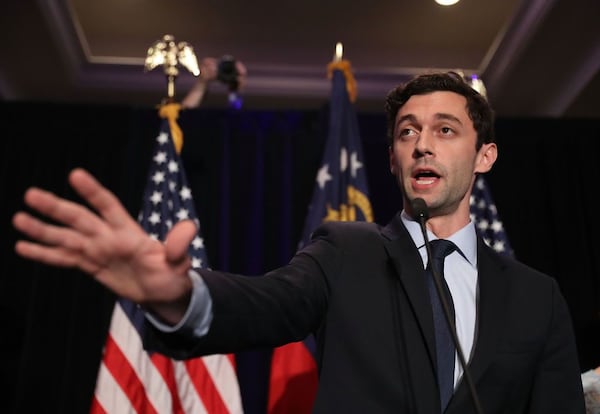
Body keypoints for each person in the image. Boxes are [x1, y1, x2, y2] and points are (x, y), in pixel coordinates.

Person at [12, 72, 585, 413]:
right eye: (407, 132)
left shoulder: (537, 298)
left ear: (484, 156)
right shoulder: (346, 251)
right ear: (391, 158)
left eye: (444, 129)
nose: (421, 145)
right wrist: (180, 295)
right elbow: (266, 303)